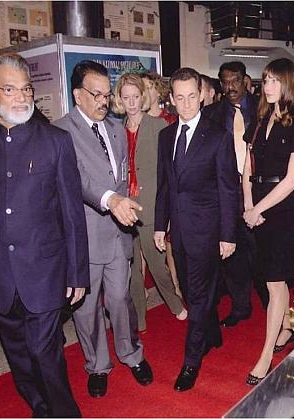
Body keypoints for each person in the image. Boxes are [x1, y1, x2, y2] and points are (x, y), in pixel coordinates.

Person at [0, 52, 88, 417]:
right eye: (10, 89)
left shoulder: (56, 141)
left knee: (45, 355)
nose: (21, 97)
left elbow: (72, 213)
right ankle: (40, 409)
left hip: (46, 271)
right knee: (18, 356)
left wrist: (77, 273)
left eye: (26, 89)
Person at [54, 61, 153, 399]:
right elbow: (76, 179)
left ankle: (131, 353)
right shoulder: (60, 132)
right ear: (77, 95)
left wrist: (122, 205)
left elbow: (121, 177)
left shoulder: (115, 129)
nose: (103, 101)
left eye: (106, 94)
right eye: (96, 94)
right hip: (85, 237)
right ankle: (97, 364)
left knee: (121, 300)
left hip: (117, 233)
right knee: (86, 307)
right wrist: (111, 200)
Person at [154, 67, 239, 392]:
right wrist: (161, 226)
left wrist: (228, 234)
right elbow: (165, 186)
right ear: (172, 99)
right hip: (179, 233)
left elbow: (228, 188)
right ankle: (212, 332)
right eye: (180, 97)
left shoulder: (217, 136)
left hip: (207, 230)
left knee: (199, 296)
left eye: (192, 96)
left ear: (201, 95)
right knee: (189, 292)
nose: (187, 103)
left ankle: (191, 361)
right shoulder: (166, 136)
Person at [243, 58, 294, 385]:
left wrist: (259, 209)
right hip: (257, 205)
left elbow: (291, 180)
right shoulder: (260, 119)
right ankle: (287, 326)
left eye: (273, 80)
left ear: (287, 84)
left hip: (282, 211)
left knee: (274, 281)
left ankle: (266, 354)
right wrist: (247, 203)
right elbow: (248, 165)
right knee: (274, 280)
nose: (267, 86)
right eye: (265, 80)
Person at [112, 72, 187, 333]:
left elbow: (169, 170)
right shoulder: (116, 131)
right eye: (126, 97)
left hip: (151, 204)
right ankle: (140, 319)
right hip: (124, 204)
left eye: (135, 97)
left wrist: (168, 209)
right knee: (131, 266)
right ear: (120, 100)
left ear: (142, 97)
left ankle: (176, 305)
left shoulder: (158, 127)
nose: (131, 102)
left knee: (156, 263)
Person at [202, 60, 259, 323]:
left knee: (259, 249)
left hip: (258, 190)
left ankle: (269, 299)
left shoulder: (262, 109)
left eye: (235, 80)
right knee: (231, 248)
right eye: (224, 82)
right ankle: (240, 305)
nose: (229, 87)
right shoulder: (212, 114)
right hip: (224, 192)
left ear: (245, 80)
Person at [141, 71, 182, 297]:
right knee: (141, 244)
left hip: (166, 186)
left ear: (158, 90)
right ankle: (141, 290)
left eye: (148, 87)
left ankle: (176, 285)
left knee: (170, 243)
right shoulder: (136, 120)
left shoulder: (170, 121)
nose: (144, 92)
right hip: (144, 189)